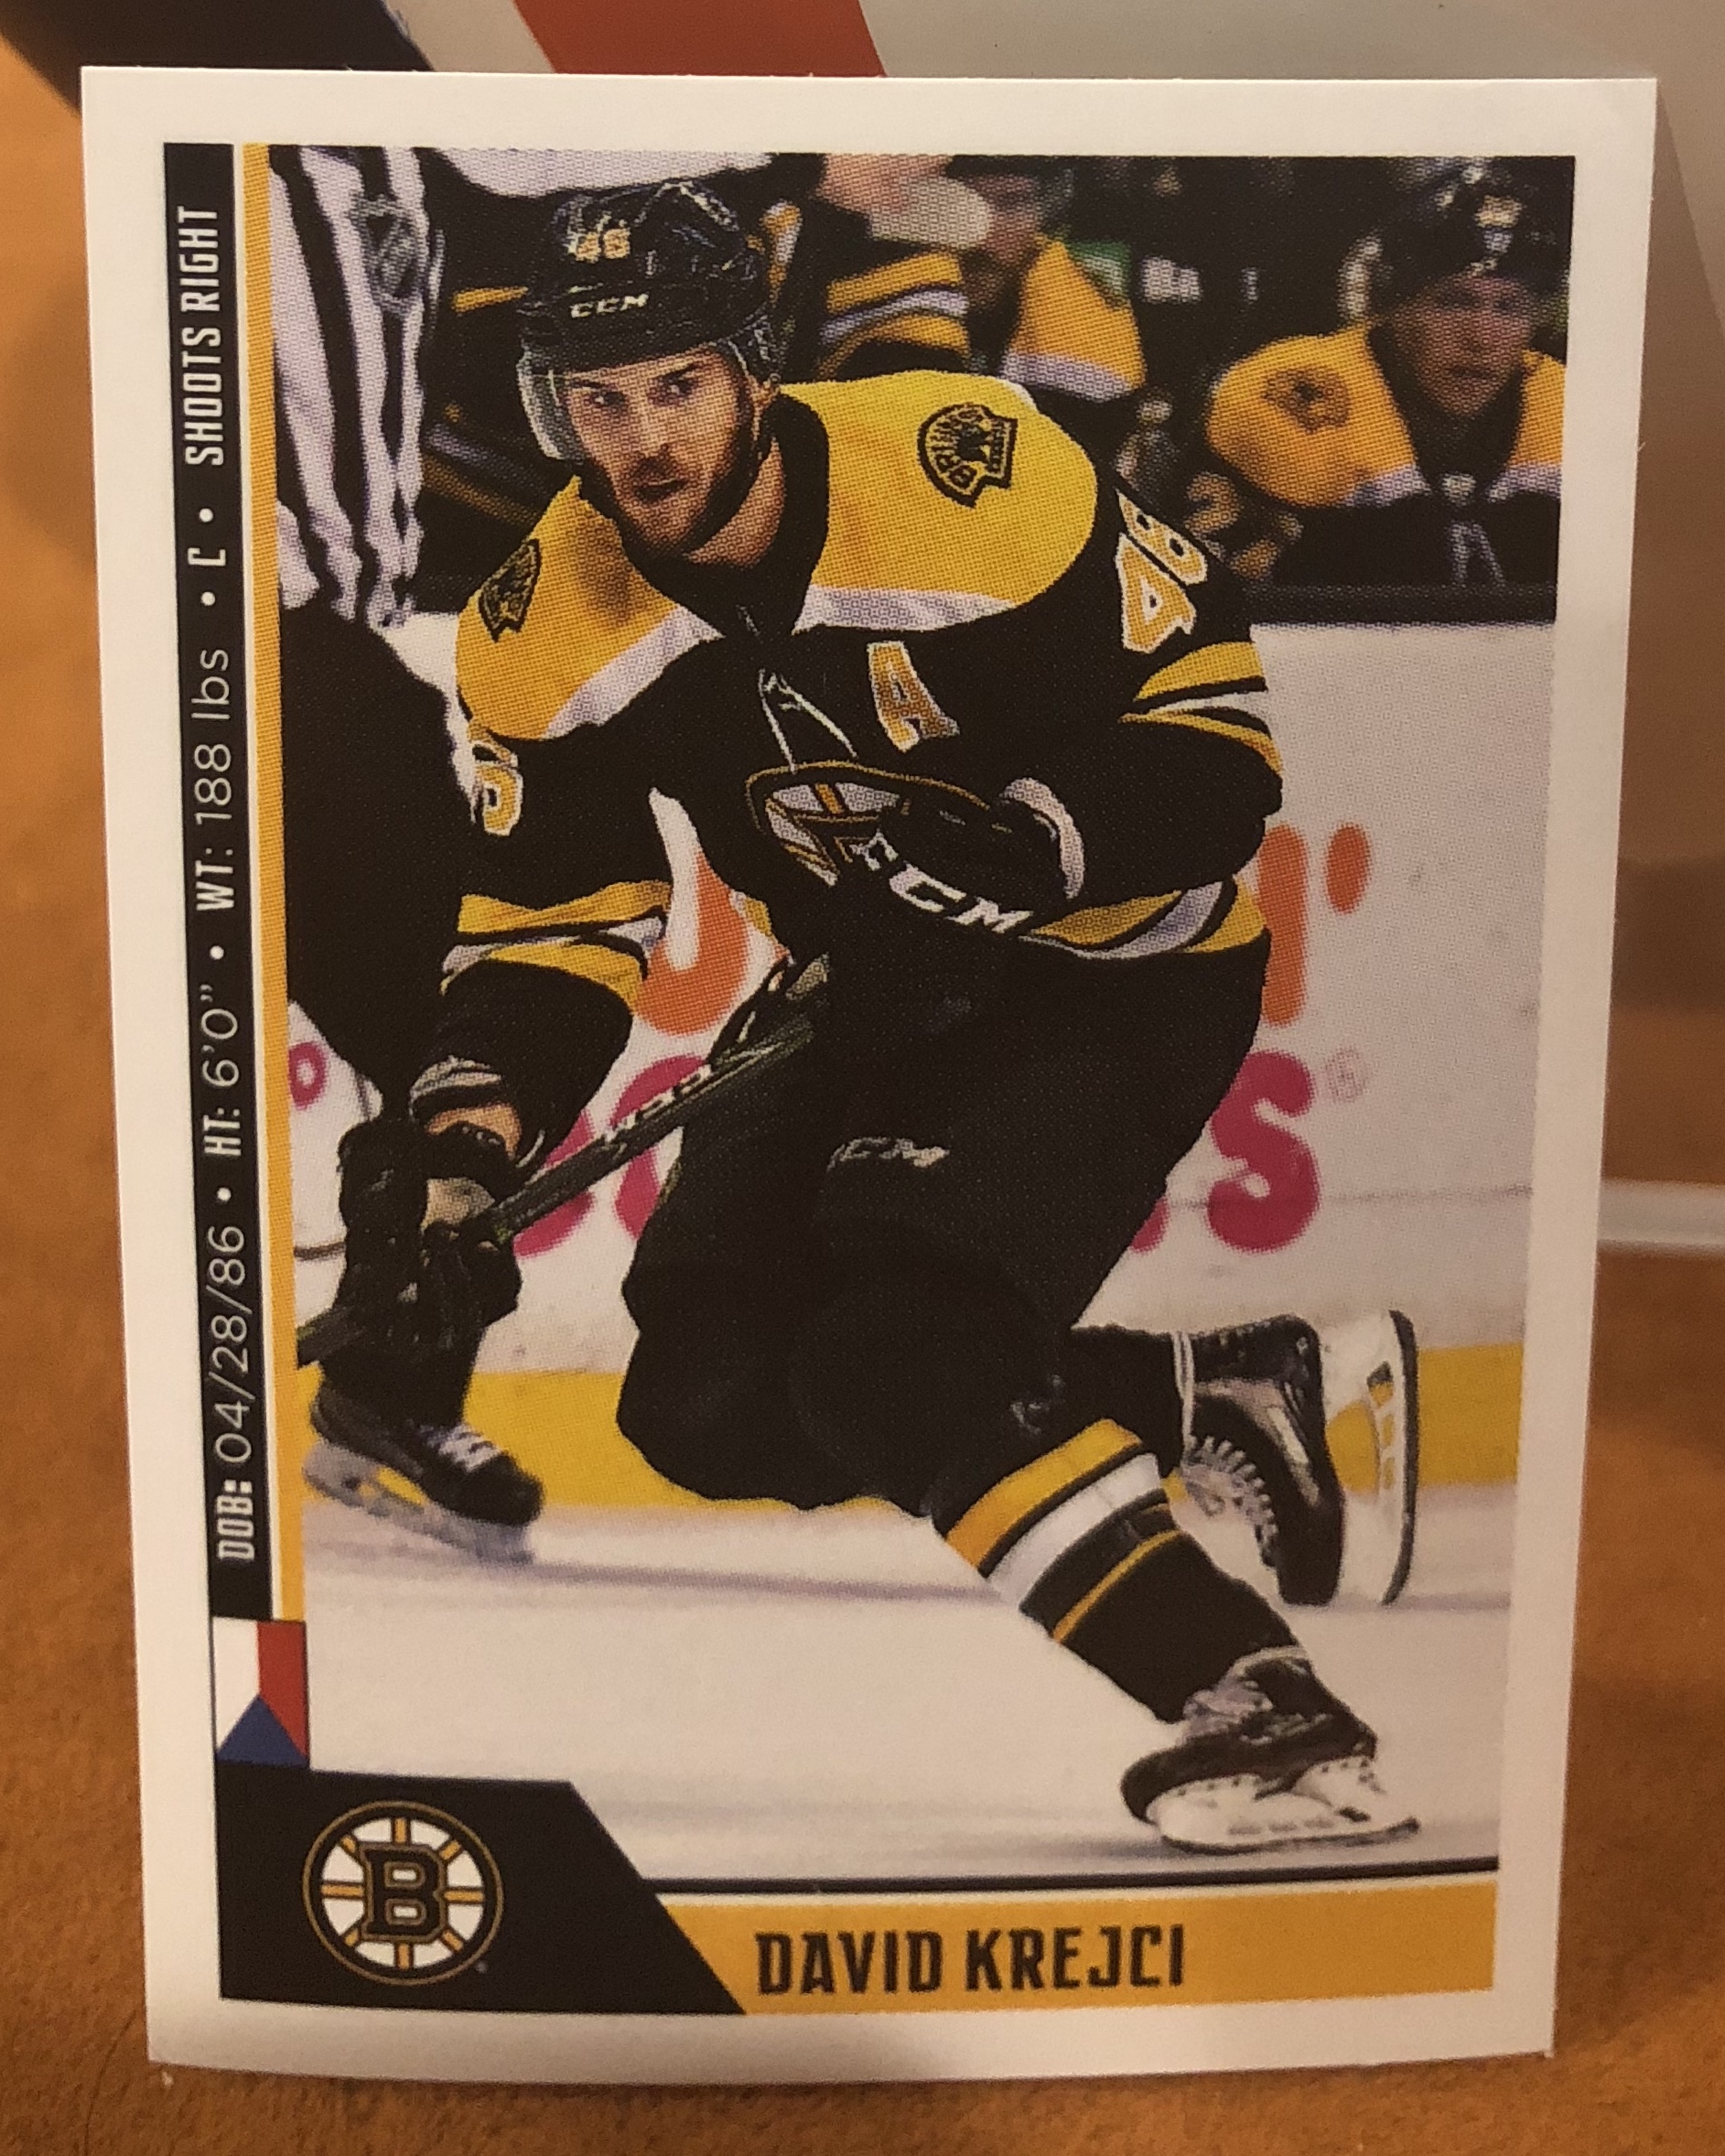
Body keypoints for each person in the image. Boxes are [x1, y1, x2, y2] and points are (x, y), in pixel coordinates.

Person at [310, 178, 1418, 1851]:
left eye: (677, 384)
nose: (643, 439)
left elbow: (1213, 735)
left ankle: (1264, 1707)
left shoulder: (970, 470)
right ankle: (1212, 1394)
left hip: (1115, 971)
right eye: (599, 399)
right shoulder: (537, 628)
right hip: (858, 995)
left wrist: (1029, 846)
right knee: (702, 1409)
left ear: (753, 368)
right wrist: (459, 1153)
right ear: (550, 406)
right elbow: (558, 922)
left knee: (898, 1365)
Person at [1174, 162, 1567, 588]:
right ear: (1395, 305)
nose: (1482, 338)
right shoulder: (1295, 397)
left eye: (1509, 307)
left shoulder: (1564, 404)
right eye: (1453, 302)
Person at [947, 156, 1149, 469]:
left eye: (1012, 204)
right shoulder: (884, 274)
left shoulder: (1086, 314)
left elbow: (1061, 470)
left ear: (1043, 217)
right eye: (961, 206)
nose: (984, 234)